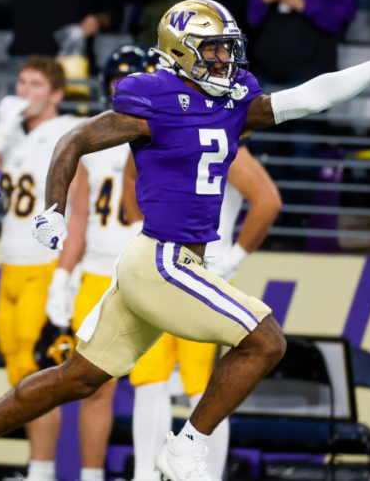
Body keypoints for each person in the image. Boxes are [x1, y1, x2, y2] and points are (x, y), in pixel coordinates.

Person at [0, 0, 370, 481]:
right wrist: (53, 206)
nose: (225, 57)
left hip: (172, 262)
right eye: (213, 48)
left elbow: (308, 97)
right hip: (160, 261)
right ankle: (187, 445)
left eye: (229, 47)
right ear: (182, 51)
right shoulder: (157, 99)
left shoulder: (231, 104)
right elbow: (74, 139)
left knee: (77, 378)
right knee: (266, 340)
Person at [121, 135, 281, 481]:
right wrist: (138, 229)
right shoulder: (168, 135)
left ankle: (205, 474)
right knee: (150, 379)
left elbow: (267, 201)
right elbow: (130, 174)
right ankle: (144, 475)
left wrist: (233, 259)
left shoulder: (226, 148)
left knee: (205, 386)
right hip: (159, 269)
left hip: (202, 276)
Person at [45, 45, 155, 481]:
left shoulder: (161, 130)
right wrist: (62, 275)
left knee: (154, 385)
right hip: (96, 271)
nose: (121, 87)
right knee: (93, 386)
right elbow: (81, 215)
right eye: (117, 79)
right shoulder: (91, 134)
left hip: (146, 267)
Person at [0, 56, 78, 481]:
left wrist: (65, 273)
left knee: (38, 373)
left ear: (56, 94)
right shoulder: (20, 138)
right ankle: (35, 468)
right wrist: (1, 132)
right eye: (21, 81)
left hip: (43, 263)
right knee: (16, 367)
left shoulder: (65, 130)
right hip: (11, 263)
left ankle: (42, 472)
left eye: (36, 84)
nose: (24, 91)